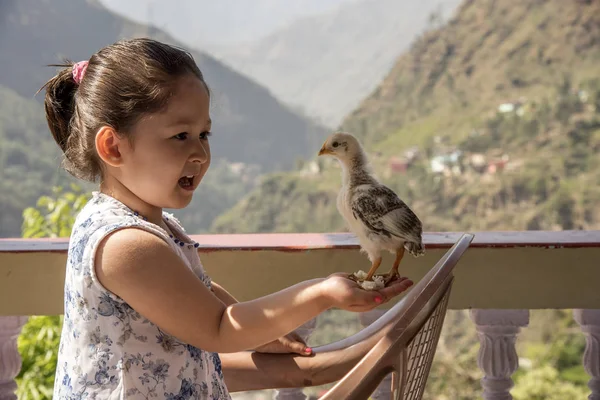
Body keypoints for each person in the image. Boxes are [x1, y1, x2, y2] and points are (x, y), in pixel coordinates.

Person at [42, 37, 414, 399]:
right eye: (181, 135)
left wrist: (267, 334)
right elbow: (218, 327)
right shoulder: (126, 244)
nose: (201, 153)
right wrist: (322, 293)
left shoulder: (150, 227)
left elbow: (200, 294)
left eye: (204, 133)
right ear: (113, 146)